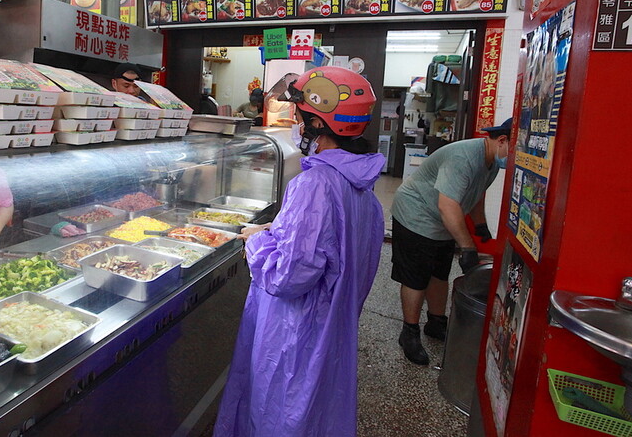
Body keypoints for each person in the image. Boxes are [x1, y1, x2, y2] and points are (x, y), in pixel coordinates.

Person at [214, 67, 385, 437]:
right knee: (316, 411)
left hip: (295, 332)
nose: (295, 124)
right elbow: (339, 249)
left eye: (299, 117)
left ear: (317, 124)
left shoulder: (313, 184)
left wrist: (256, 241)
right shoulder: (362, 186)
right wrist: (277, 230)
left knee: (281, 410)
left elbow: (288, 275)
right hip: (330, 327)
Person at [390, 117, 512, 365]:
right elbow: (447, 205)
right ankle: (409, 332)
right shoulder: (463, 158)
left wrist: (480, 225)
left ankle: (436, 322)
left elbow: (475, 194)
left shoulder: (490, 163)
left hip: (443, 220)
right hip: (416, 214)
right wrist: (467, 246)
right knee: (416, 278)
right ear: (502, 140)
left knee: (439, 273)